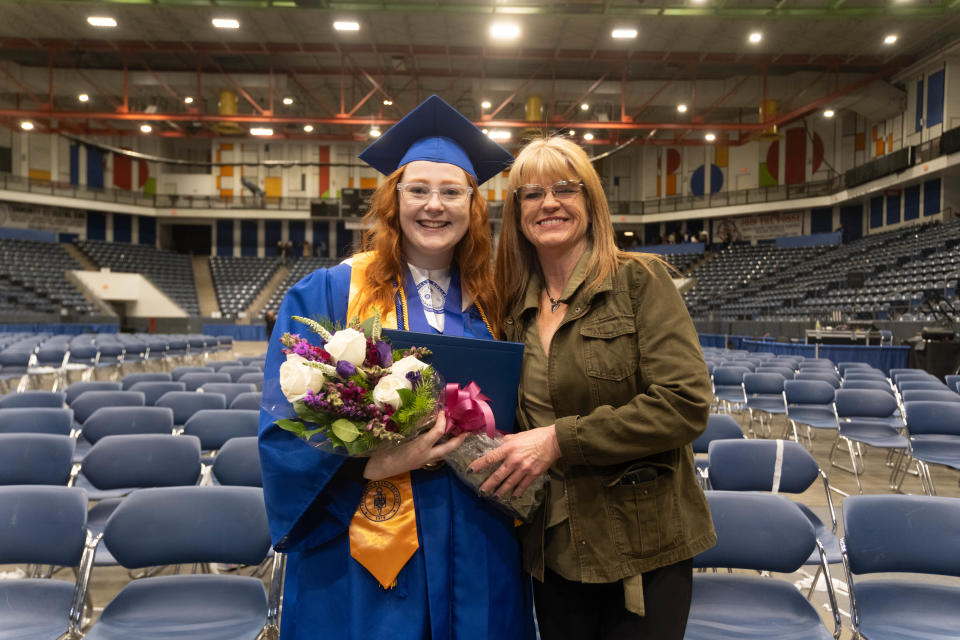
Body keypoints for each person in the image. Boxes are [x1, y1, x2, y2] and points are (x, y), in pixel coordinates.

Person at [258, 96, 534, 640]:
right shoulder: (332, 292)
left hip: (478, 536)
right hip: (367, 539)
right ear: (393, 200)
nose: (435, 206)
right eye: (418, 190)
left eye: (452, 192)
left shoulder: (500, 301)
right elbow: (281, 428)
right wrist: (373, 465)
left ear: (473, 206)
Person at [471, 136, 716, 639]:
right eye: (532, 193)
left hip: (641, 546)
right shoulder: (511, 305)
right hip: (554, 548)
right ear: (518, 213)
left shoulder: (639, 282)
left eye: (566, 188)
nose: (550, 203)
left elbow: (685, 404)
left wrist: (559, 439)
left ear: (591, 201)